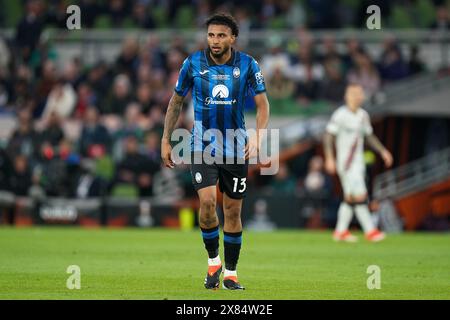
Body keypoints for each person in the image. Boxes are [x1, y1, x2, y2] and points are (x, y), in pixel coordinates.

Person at [161, 13, 270, 290]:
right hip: (201, 146)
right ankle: (213, 262)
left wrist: (258, 138)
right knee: (208, 204)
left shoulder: (247, 64)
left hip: (236, 148)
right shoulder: (193, 63)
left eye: (221, 35)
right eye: (211, 35)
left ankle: (231, 273)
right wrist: (166, 139)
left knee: (232, 212)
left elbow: (262, 105)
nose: (215, 40)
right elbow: (175, 102)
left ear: (232, 37)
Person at [323, 83, 393, 242]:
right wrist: (329, 158)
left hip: (358, 162)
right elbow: (328, 136)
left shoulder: (363, 115)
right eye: (355, 93)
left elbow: (369, 136)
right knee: (360, 195)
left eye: (360, 93)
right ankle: (370, 231)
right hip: (346, 163)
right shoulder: (340, 115)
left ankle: (340, 232)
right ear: (347, 96)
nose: (359, 96)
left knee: (350, 198)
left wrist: (383, 151)